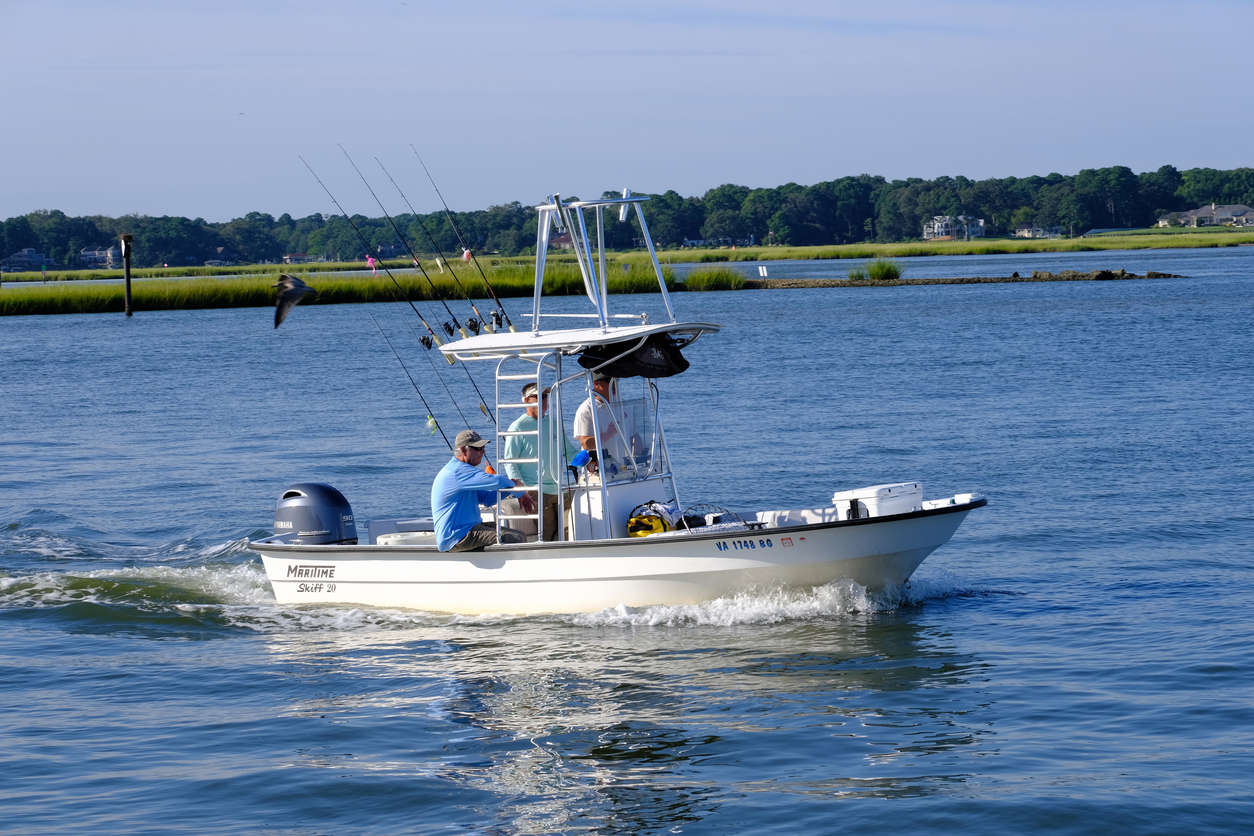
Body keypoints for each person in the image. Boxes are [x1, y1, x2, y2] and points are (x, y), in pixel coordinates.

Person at [432, 429, 535, 552]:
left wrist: (511, 489)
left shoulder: (463, 473)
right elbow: (497, 481)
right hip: (456, 535)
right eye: (478, 448)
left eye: (483, 447)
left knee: (520, 535)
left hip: (468, 529)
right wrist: (519, 490)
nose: (483, 451)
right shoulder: (458, 471)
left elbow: (486, 499)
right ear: (464, 450)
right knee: (516, 538)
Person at [504, 383, 580, 541]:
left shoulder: (554, 424)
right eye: (538, 396)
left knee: (571, 532)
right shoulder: (517, 427)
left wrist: (589, 458)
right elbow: (510, 462)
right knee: (547, 538)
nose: (544, 399)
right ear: (526, 400)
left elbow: (569, 452)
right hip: (537, 493)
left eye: (545, 396)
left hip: (560, 490)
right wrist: (523, 489)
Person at [573, 373, 639, 475]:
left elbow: (634, 436)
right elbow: (585, 443)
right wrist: (608, 434)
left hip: (625, 471)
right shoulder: (586, 410)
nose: (613, 382)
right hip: (598, 474)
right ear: (596, 384)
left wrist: (642, 458)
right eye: (608, 379)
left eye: (615, 378)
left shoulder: (626, 406)